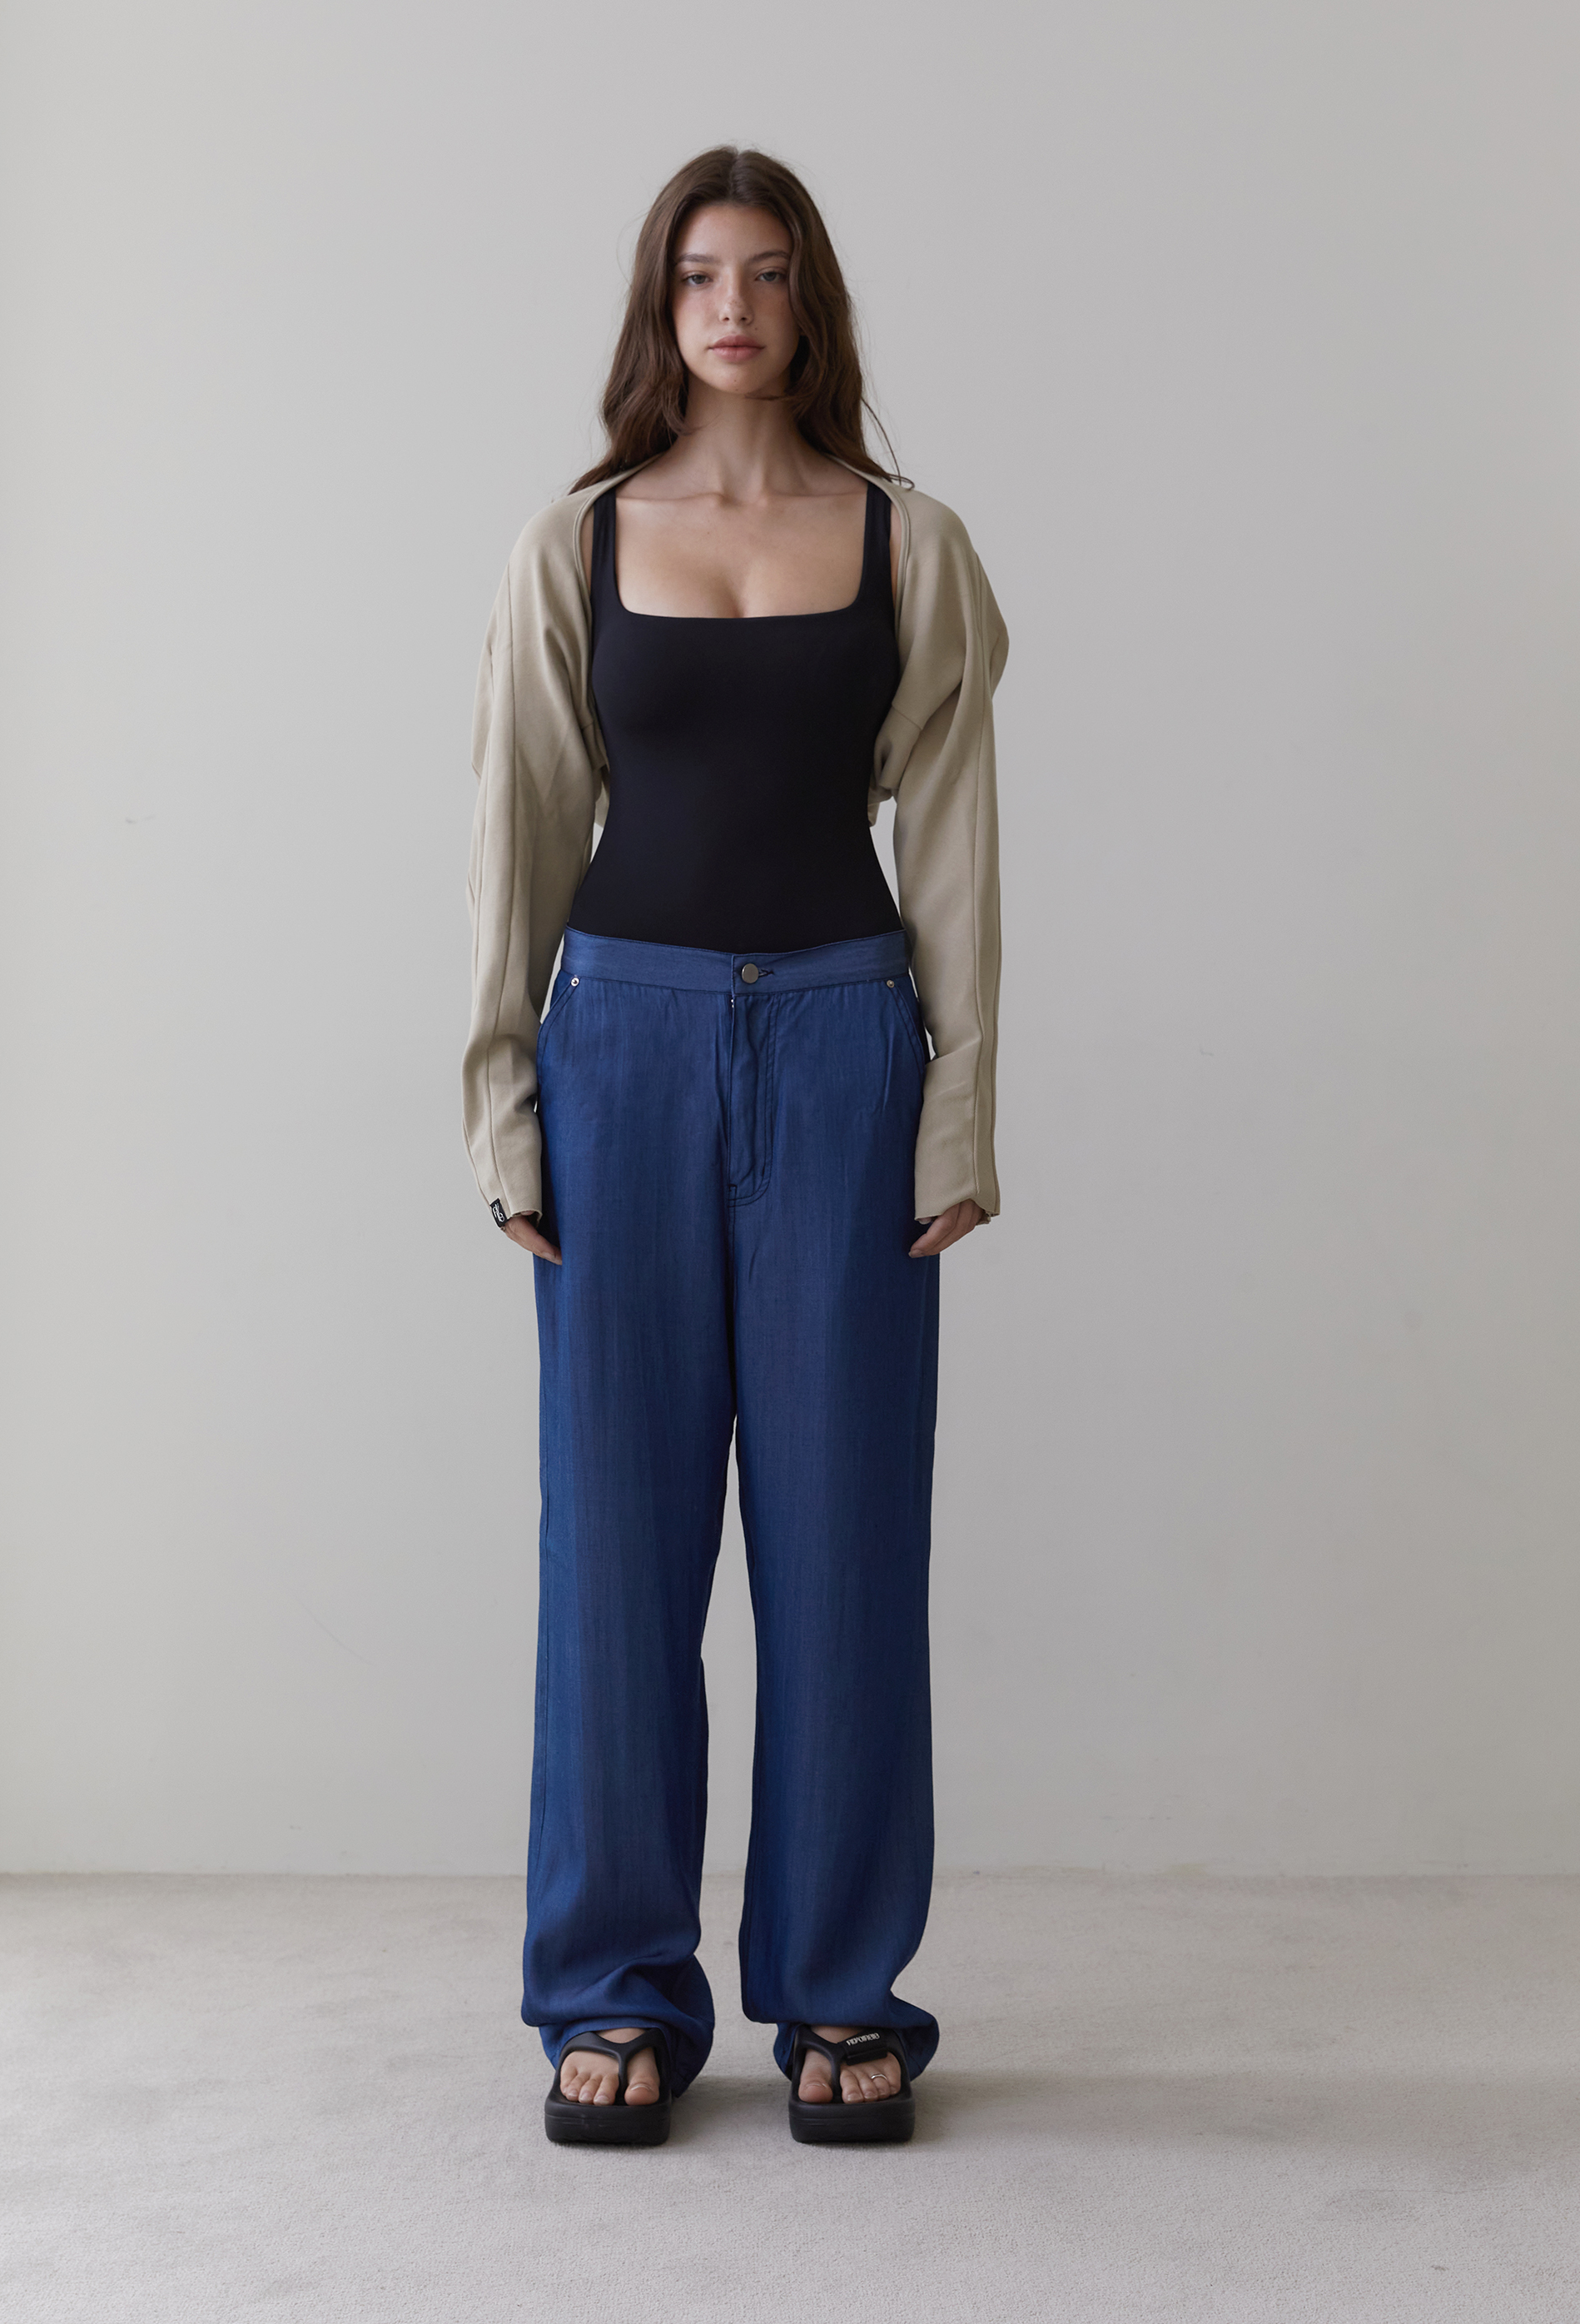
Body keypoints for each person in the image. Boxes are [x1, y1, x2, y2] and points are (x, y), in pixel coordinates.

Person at [461, 147, 1007, 2147]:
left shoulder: (910, 541)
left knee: (846, 1537)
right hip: (621, 1049)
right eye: (700, 273)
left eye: (768, 274)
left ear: (810, 303)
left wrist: (958, 1105)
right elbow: (519, 825)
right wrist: (502, 1101)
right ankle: (613, 1987)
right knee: (614, 1546)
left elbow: (953, 836)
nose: (733, 307)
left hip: (848, 1044)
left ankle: (843, 1989)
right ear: (659, 302)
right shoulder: (577, 539)